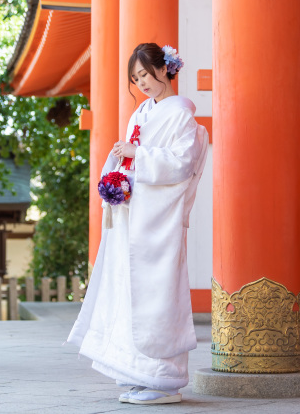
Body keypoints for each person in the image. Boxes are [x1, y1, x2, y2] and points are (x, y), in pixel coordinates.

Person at [67, 43, 209, 405]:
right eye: (135, 78)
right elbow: (126, 156)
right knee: (129, 290)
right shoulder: (141, 113)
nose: (141, 83)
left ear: (164, 69)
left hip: (158, 221)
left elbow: (181, 164)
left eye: (145, 74)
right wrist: (115, 181)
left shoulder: (181, 115)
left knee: (158, 294)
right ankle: (139, 373)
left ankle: (166, 380)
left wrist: (138, 155)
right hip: (133, 214)